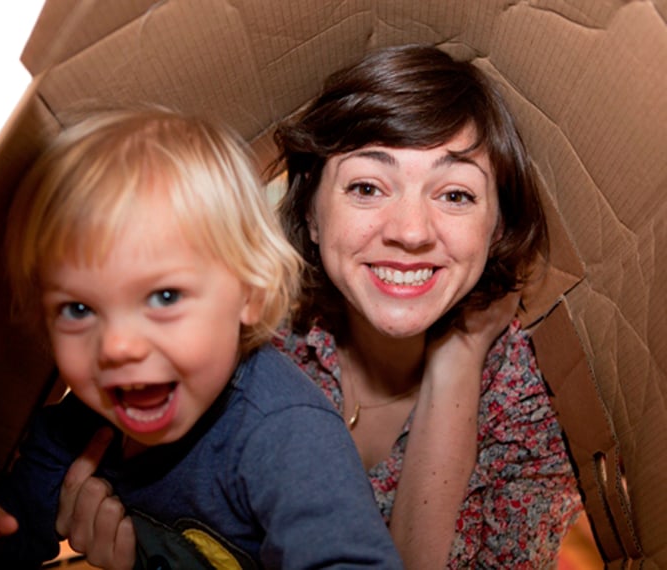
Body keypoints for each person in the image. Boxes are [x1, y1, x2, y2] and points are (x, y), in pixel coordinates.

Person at [52, 45, 583, 569]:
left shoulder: (527, 409)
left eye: (456, 195)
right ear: (310, 214)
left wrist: (456, 361)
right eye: (368, 186)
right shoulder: (252, 332)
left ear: (497, 228)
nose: (411, 231)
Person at [0, 107, 404, 569]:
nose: (117, 347)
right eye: (79, 309)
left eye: (164, 297)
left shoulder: (284, 433)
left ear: (250, 294)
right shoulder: (75, 426)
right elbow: (12, 527)